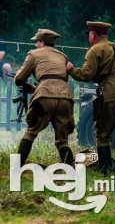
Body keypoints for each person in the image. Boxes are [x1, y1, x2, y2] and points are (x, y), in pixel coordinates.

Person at [67, 20, 115, 173]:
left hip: (108, 95)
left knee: (103, 135)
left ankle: (105, 170)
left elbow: (86, 75)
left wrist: (71, 69)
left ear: (92, 35)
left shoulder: (94, 50)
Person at [13, 29, 75, 166]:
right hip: (65, 96)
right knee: (62, 140)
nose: (35, 45)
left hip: (45, 94)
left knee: (31, 132)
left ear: (42, 42)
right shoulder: (63, 56)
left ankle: (17, 167)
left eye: (37, 42)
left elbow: (19, 79)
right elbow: (57, 80)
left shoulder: (34, 54)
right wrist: (36, 89)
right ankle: (72, 170)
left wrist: (19, 76)